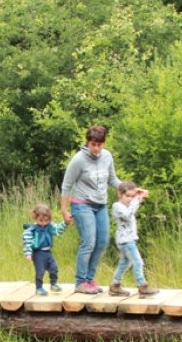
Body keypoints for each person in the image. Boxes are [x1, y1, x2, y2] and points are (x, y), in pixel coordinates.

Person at [60, 125, 122, 294]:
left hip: (100, 205)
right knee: (89, 241)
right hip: (82, 204)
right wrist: (64, 210)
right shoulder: (79, 159)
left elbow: (112, 180)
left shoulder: (107, 156)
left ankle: (89, 279)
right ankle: (80, 282)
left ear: (103, 143)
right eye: (92, 144)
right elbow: (67, 185)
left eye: (98, 145)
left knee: (102, 242)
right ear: (87, 143)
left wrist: (128, 188)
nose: (95, 148)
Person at [109, 180, 157, 297]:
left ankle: (115, 285)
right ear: (119, 194)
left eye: (132, 196)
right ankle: (142, 286)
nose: (130, 199)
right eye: (127, 196)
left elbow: (132, 207)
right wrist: (137, 200)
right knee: (138, 262)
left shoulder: (128, 205)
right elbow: (127, 215)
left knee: (125, 263)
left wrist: (139, 193)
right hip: (126, 241)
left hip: (129, 240)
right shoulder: (117, 206)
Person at [21, 203, 67, 296]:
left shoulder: (50, 226)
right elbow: (27, 241)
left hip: (48, 252)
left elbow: (58, 230)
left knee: (54, 268)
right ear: (35, 218)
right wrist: (28, 253)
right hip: (38, 253)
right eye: (41, 220)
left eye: (46, 220)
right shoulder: (32, 229)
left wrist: (65, 223)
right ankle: (39, 288)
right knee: (40, 271)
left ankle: (53, 284)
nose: (44, 223)